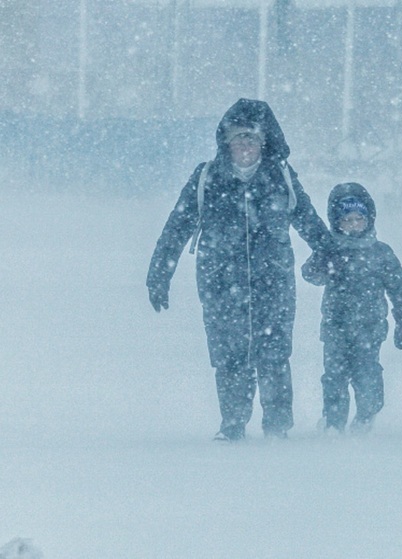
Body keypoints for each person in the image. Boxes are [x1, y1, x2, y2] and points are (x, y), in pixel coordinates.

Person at [147, 99, 330, 441]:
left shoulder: (281, 178)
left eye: (252, 138)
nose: (245, 145)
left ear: (264, 142)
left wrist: (330, 254)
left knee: (274, 355)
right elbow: (176, 228)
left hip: (273, 284)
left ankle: (277, 427)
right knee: (229, 356)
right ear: (226, 142)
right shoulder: (207, 178)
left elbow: (308, 221)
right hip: (220, 286)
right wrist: (159, 273)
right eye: (238, 138)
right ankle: (233, 424)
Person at [301, 182, 402, 434]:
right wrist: (323, 257)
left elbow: (399, 288)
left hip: (370, 327)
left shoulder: (381, 253)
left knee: (367, 374)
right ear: (337, 222)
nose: (353, 225)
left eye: (358, 219)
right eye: (347, 220)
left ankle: (366, 415)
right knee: (334, 376)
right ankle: (333, 422)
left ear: (368, 220)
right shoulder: (331, 250)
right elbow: (310, 274)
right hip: (335, 325)